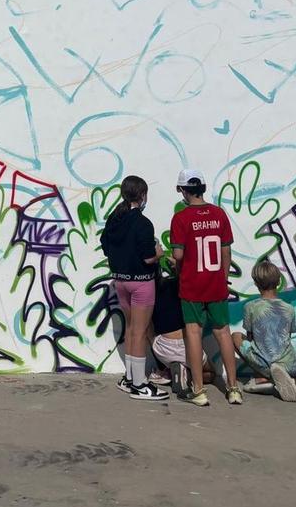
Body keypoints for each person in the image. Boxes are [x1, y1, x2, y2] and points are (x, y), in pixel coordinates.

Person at [169, 168, 241, 407]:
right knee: (223, 333)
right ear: (203, 188)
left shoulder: (180, 218)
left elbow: (178, 254)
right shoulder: (219, 214)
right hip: (215, 283)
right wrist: (222, 277)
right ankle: (233, 387)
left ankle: (198, 390)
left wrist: (173, 261)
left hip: (191, 284)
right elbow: (226, 251)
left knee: (193, 333)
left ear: (182, 190)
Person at [100, 175, 166, 400]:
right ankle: (139, 383)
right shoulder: (143, 223)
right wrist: (159, 252)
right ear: (142, 195)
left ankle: (129, 378)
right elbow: (149, 257)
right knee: (139, 331)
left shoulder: (114, 219)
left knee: (130, 328)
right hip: (141, 283)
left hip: (120, 280)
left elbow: (105, 246)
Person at [232, 260, 296, 402]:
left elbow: (251, 337)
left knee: (236, 336)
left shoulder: (250, 307)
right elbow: (286, 337)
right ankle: (286, 380)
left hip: (263, 363)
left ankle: (263, 378)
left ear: (256, 283)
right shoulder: (289, 308)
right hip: (289, 363)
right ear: (278, 282)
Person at [151, 272, 216, 397]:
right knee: (211, 373)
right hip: (187, 348)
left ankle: (165, 371)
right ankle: (189, 375)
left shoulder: (155, 291)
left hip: (163, 349)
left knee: (149, 331)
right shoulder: (188, 294)